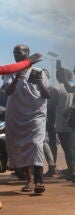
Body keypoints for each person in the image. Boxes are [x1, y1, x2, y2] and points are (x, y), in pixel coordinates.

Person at [3, 45, 47, 193]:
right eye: (14, 52)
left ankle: (39, 181)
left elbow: (47, 95)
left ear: (27, 53)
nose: (16, 54)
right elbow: (7, 92)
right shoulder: (9, 73)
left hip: (35, 115)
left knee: (35, 144)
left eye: (19, 52)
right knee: (22, 147)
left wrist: (40, 83)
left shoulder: (38, 72)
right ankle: (29, 180)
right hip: (16, 115)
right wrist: (16, 78)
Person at [54, 66, 74, 179]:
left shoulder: (57, 89)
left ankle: (72, 170)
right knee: (74, 147)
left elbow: (51, 106)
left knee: (67, 148)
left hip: (62, 122)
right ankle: (73, 169)